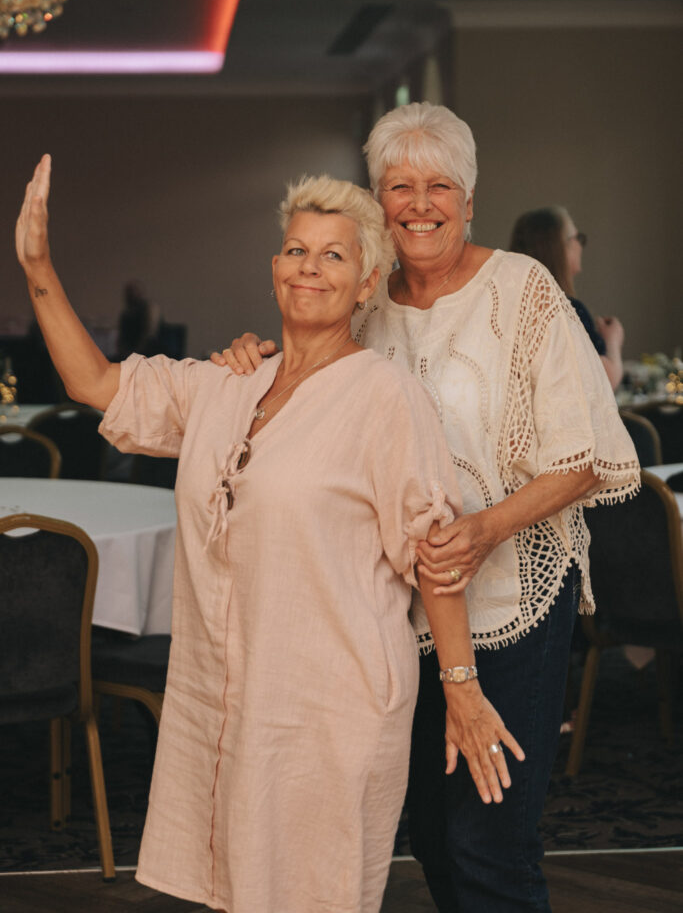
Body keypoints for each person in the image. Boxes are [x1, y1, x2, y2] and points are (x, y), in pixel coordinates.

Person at [15, 157, 523, 913]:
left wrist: (461, 689)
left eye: (333, 255)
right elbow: (96, 384)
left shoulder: (387, 398)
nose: (308, 267)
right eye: (295, 250)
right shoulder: (224, 385)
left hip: (330, 709)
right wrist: (37, 266)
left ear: (365, 283)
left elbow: (433, 553)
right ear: (274, 267)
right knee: (234, 892)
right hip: (226, 705)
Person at [216, 102, 640, 912]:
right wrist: (247, 356)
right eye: (397, 186)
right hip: (390, 615)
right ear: (376, 202)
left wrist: (484, 528)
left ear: (469, 199)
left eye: (437, 185)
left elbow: (584, 454)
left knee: (490, 839)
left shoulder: (524, 290)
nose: (418, 202)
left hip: (512, 603)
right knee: (430, 837)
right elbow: (298, 378)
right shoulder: (360, 300)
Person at [509, 206, 625, 389]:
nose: (580, 245)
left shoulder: (510, 306)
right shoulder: (567, 310)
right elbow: (605, 380)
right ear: (557, 248)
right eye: (577, 238)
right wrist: (612, 339)